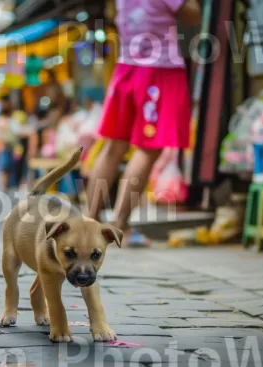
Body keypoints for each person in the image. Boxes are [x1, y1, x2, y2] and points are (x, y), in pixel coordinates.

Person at [85, 0, 201, 246]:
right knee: (148, 148)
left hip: (126, 67)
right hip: (159, 69)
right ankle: (120, 226)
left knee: (113, 147)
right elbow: (194, 16)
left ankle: (88, 223)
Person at [0, 97, 17, 190]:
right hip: (3, 147)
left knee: (5, 168)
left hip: (3, 147)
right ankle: (4, 187)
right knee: (4, 168)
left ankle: (4, 187)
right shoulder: (6, 121)